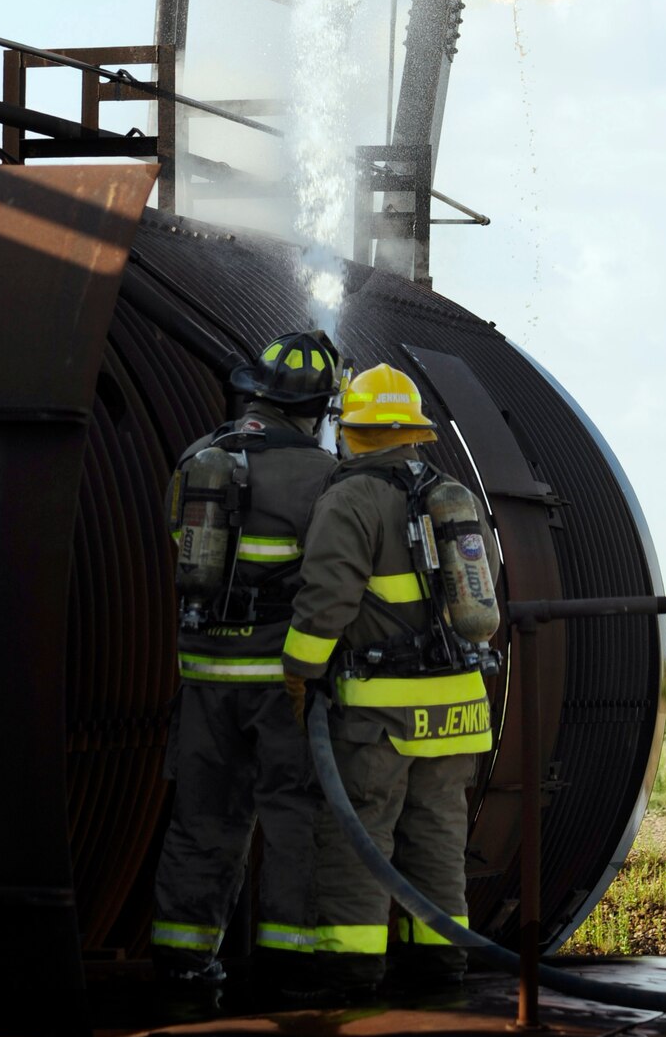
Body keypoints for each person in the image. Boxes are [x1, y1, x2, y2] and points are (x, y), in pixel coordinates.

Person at [281, 363, 496, 997]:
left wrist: (298, 676)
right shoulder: (450, 492)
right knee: (437, 837)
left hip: (380, 716)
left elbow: (324, 604)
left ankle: (350, 974)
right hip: (458, 709)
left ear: (351, 432)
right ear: (413, 433)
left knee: (357, 837)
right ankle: (440, 969)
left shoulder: (350, 499)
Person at [151, 330, 339, 989]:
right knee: (292, 814)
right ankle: (288, 961)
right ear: (315, 409)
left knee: (203, 816)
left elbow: (179, 541)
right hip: (280, 682)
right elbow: (329, 580)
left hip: (203, 676)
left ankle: (183, 954)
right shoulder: (323, 476)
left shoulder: (197, 458)